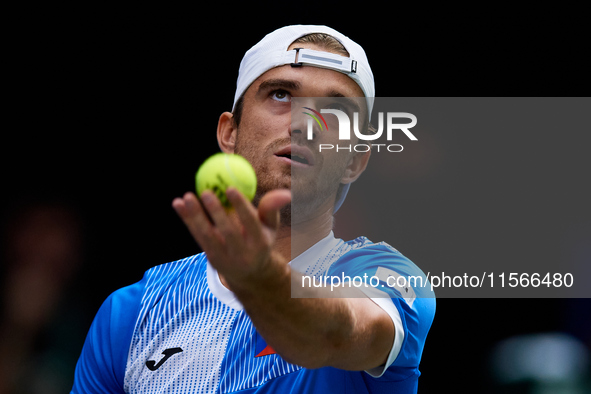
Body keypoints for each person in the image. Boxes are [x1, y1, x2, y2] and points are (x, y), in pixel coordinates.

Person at [71, 24, 435, 393]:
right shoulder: (130, 313)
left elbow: (336, 334)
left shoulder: (390, 277)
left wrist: (262, 280)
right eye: (280, 94)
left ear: (355, 161)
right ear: (230, 132)